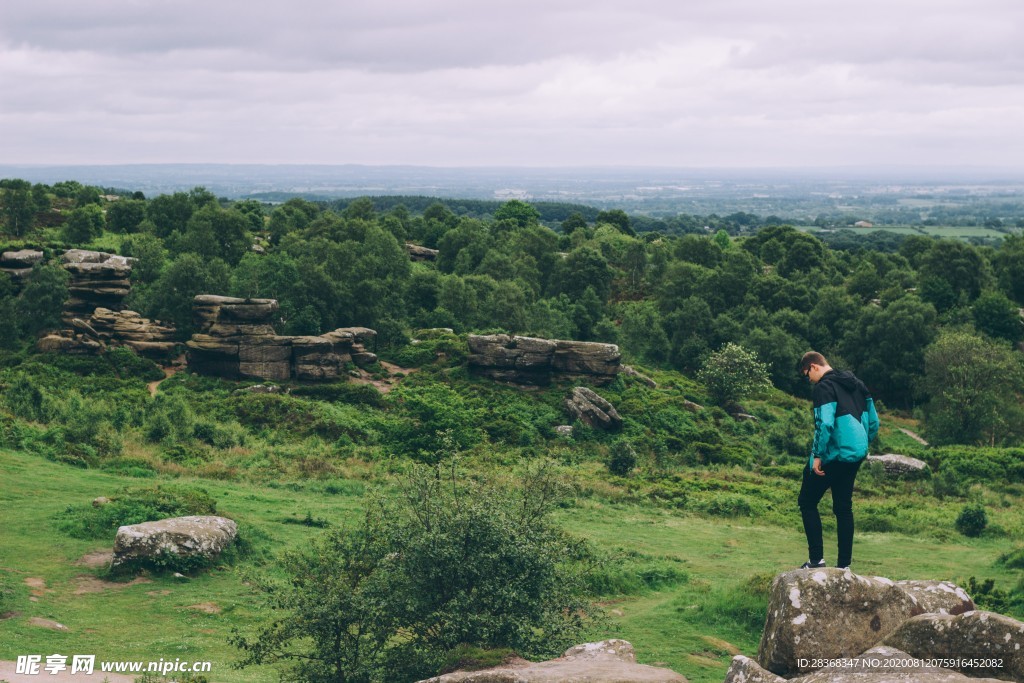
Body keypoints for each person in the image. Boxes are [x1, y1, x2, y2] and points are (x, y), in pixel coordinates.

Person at [796, 351, 878, 570]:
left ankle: (816, 561)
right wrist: (863, 444)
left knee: (807, 502)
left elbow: (824, 424)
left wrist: (818, 456)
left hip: (834, 455)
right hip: (856, 455)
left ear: (813, 367)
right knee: (843, 508)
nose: (809, 380)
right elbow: (874, 422)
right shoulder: (857, 384)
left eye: (807, 375)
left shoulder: (823, 387)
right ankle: (844, 567)